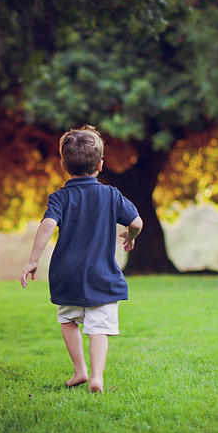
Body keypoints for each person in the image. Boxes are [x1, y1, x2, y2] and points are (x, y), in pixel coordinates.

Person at [20, 125, 142, 393]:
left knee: (68, 320)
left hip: (68, 275)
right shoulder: (111, 195)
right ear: (100, 165)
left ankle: (80, 370)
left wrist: (33, 260)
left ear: (63, 164)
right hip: (102, 276)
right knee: (98, 328)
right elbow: (137, 222)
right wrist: (130, 236)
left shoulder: (60, 197)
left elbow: (47, 224)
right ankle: (97, 376)